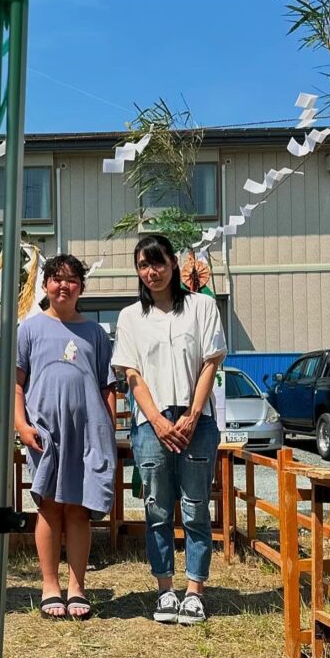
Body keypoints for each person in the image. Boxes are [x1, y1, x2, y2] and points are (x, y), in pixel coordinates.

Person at [112, 234, 226, 626]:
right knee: (156, 508)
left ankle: (194, 591)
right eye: (143, 265)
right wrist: (158, 421)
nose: (152, 272)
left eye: (158, 262)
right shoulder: (131, 317)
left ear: (174, 263)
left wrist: (192, 416)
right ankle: (165, 589)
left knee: (196, 507)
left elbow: (210, 363)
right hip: (150, 423)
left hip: (197, 420)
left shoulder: (202, 306)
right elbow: (132, 375)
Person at [15, 254, 116, 621]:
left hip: (87, 433)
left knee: (78, 508)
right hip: (44, 433)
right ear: (45, 285)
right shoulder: (29, 329)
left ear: (81, 288)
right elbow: (16, 384)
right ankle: (49, 586)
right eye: (56, 279)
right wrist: (21, 425)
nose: (64, 285)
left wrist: (107, 431)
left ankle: (77, 587)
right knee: (48, 505)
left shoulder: (96, 333)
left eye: (72, 280)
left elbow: (107, 387)